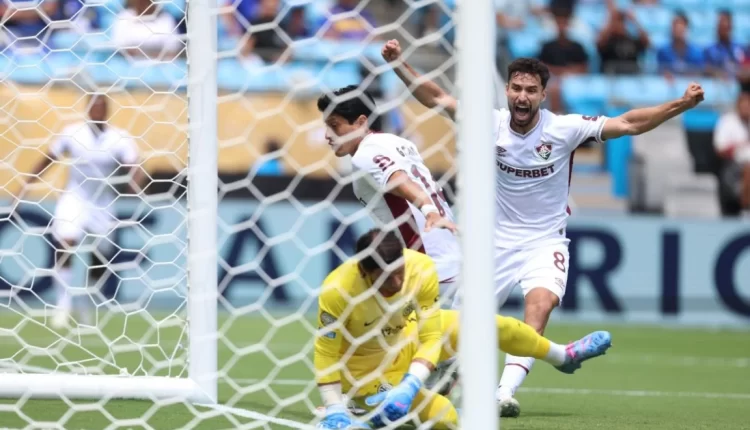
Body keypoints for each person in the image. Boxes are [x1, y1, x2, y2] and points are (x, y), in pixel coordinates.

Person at [381, 38, 705, 417]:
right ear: (507, 90)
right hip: (492, 243)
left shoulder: (564, 128)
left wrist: (681, 104)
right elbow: (437, 97)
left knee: (541, 304)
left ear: (543, 96)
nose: (523, 96)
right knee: (461, 327)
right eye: (517, 88)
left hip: (544, 241)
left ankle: (503, 393)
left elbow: (629, 123)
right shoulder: (489, 124)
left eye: (531, 90)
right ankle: (429, 379)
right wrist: (398, 63)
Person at [314, 229, 612, 429]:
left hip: (409, 336)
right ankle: (361, 412)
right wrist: (333, 405)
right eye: (385, 277)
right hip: (369, 372)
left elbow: (431, 336)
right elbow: (326, 353)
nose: (397, 282)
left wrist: (411, 383)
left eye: (399, 272)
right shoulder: (337, 290)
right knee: (445, 417)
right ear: (364, 271)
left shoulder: (420, 267)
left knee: (488, 324)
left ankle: (563, 356)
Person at [317, 85, 460, 304]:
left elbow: (398, 179)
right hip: (453, 263)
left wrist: (428, 209)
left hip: (430, 273)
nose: (328, 135)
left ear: (361, 122)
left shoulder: (365, 154)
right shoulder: (399, 142)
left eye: (334, 125)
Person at [22, 94, 142, 329]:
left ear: (107, 110)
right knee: (65, 244)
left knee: (100, 257)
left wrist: (135, 181)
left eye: (102, 107)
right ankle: (62, 305)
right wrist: (27, 183)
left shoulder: (119, 138)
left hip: (103, 202)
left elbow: (134, 165)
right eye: (94, 107)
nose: (97, 111)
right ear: (87, 109)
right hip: (74, 198)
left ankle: (86, 305)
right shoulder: (72, 133)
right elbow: (49, 158)